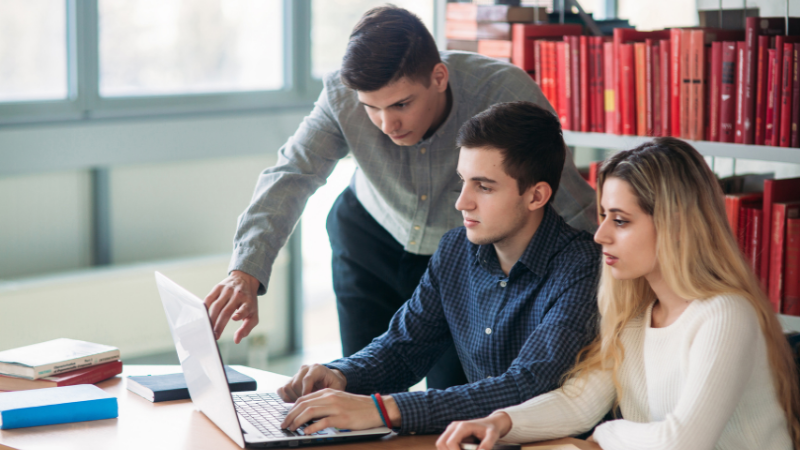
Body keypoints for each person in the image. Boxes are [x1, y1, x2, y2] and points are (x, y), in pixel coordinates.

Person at [202, 6, 597, 390]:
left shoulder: (503, 92)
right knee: (355, 382)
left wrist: (611, 279)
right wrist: (246, 271)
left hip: (459, 257)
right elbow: (292, 173)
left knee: (451, 394)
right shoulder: (341, 94)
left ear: (438, 76)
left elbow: (563, 195)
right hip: (369, 239)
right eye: (371, 109)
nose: (386, 125)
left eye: (401, 104)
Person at [436, 137, 800, 450]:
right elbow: (579, 402)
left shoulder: (725, 314)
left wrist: (603, 435)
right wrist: (499, 423)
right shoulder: (637, 316)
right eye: (603, 216)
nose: (600, 235)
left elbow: (681, 443)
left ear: (676, 227)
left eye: (621, 221)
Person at [275, 101, 601, 436]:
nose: (462, 202)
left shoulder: (583, 268)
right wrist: (341, 375)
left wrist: (384, 410)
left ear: (536, 196)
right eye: (463, 181)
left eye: (484, 186)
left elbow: (526, 387)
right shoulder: (455, 250)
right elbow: (404, 348)